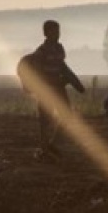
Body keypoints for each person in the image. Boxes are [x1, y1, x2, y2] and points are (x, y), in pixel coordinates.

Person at [17, 20, 85, 161]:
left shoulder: (59, 49)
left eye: (58, 31)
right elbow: (37, 74)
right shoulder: (40, 53)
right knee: (45, 120)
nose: (57, 34)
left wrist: (76, 83)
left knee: (67, 116)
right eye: (54, 31)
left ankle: (52, 145)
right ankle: (44, 150)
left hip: (59, 88)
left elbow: (63, 67)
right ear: (46, 33)